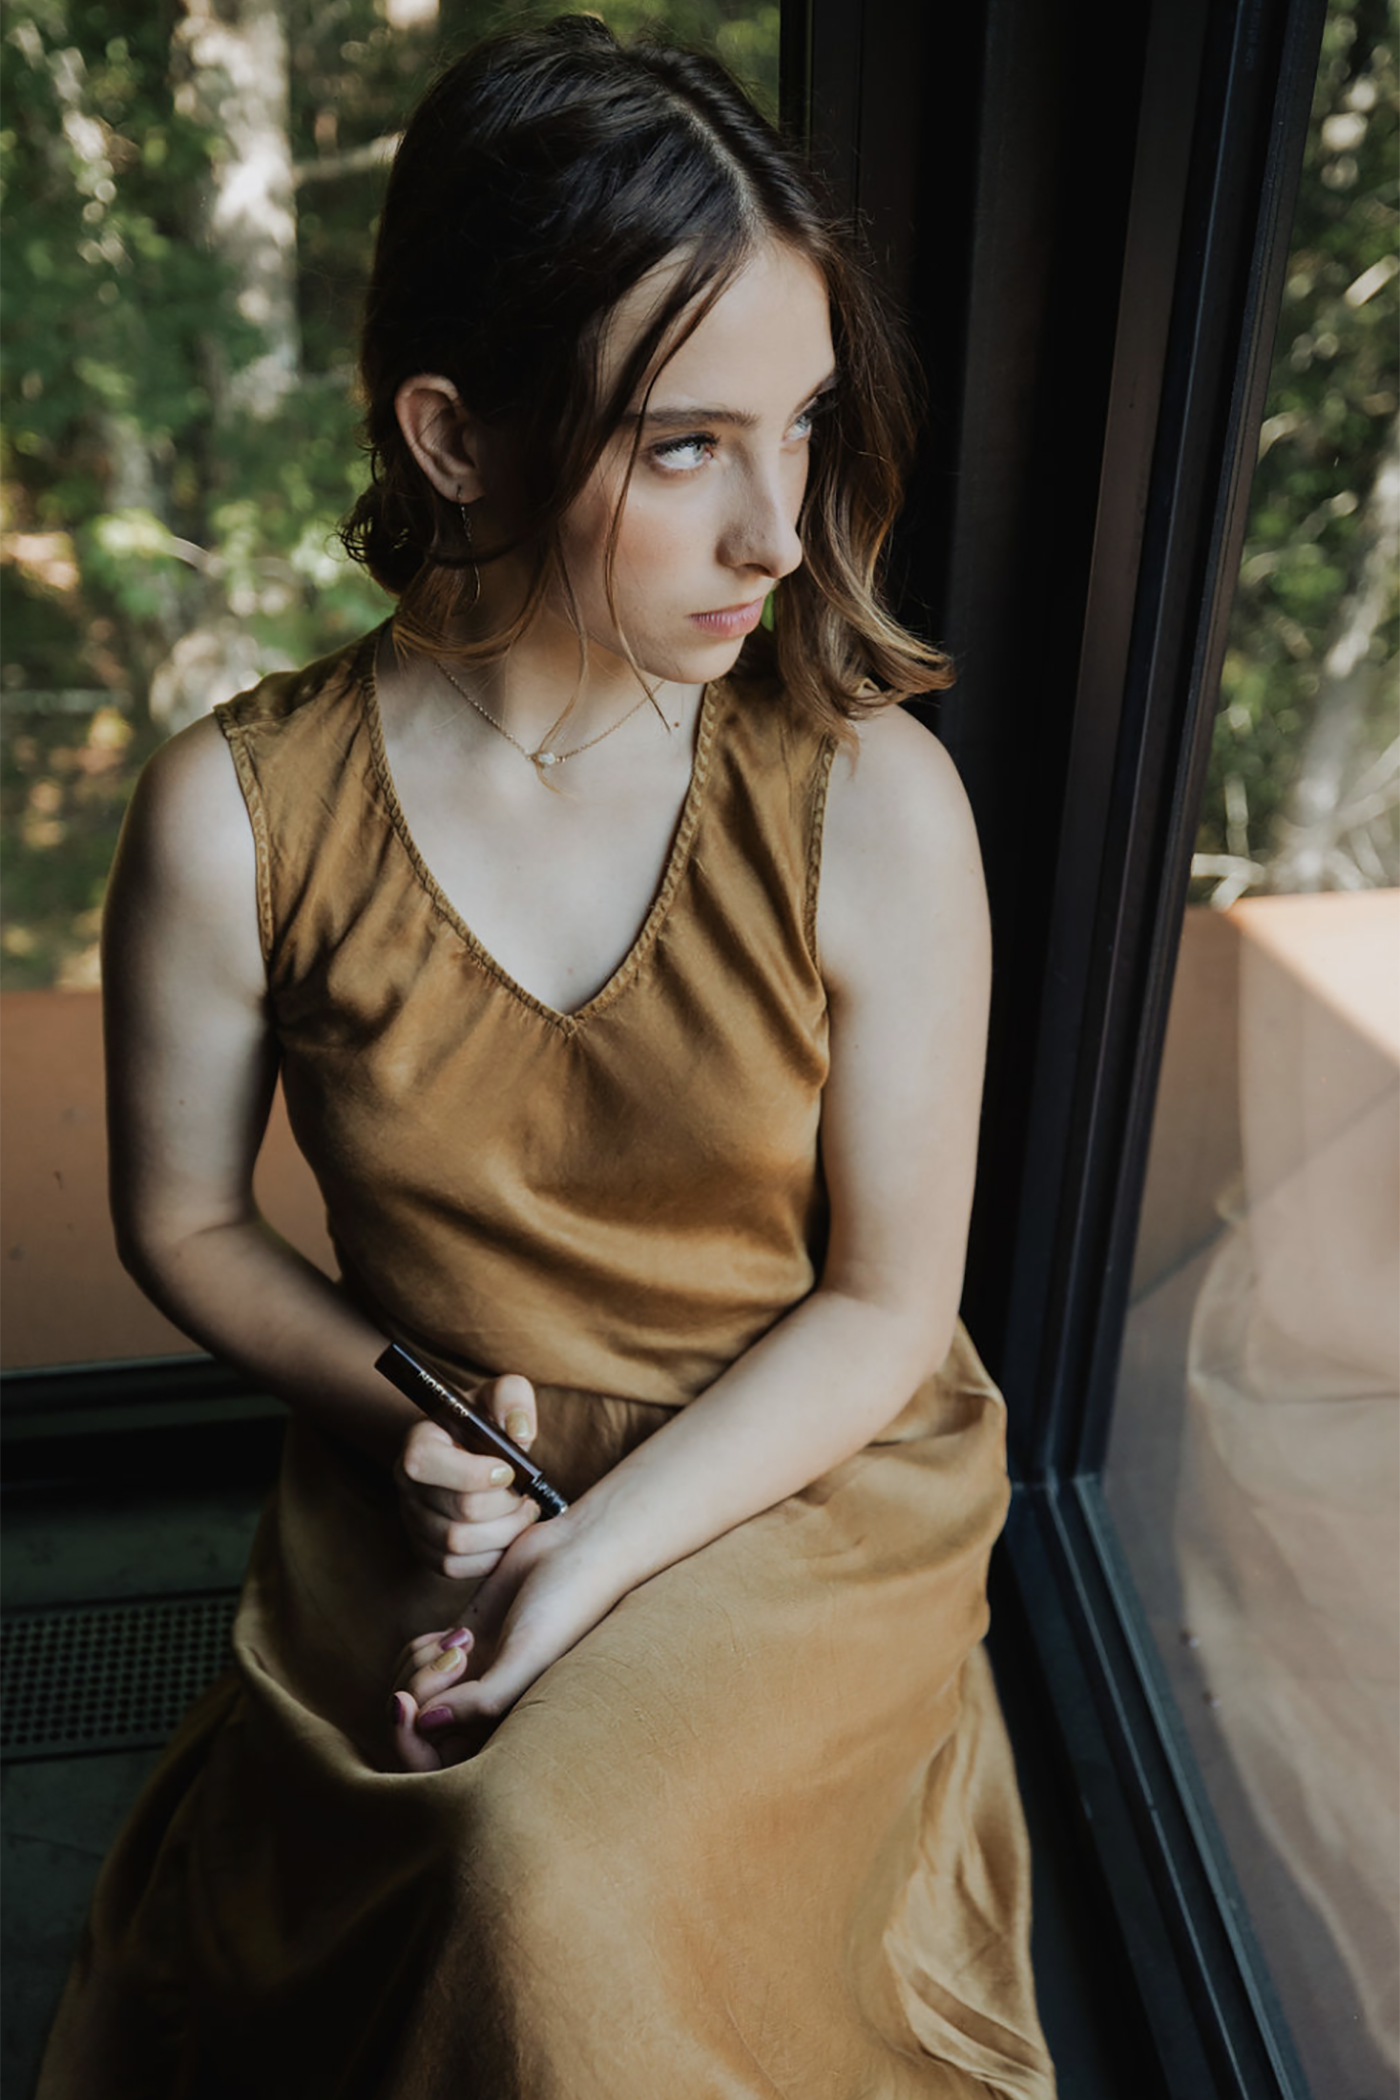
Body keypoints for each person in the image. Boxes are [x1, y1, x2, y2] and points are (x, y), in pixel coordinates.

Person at [39, 16, 1057, 2097]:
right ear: (452, 436)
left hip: (797, 1475)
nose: (778, 534)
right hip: (431, 1475)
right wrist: (391, 1400)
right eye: (686, 447)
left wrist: (582, 1563)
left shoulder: (871, 804)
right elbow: (180, 1215)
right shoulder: (236, 816)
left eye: (799, 431)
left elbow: (886, 1311)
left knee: (531, 1862)